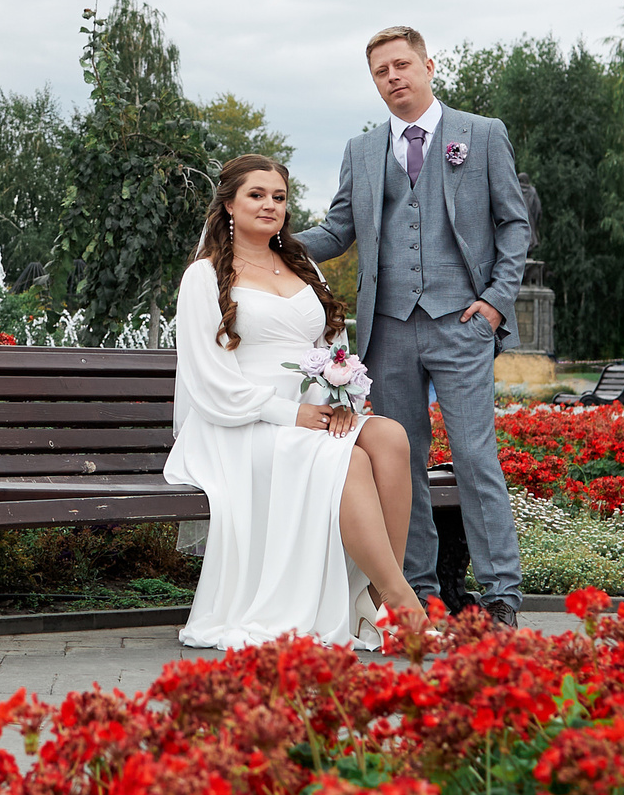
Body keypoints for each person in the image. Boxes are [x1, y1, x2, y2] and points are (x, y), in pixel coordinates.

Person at [295, 25, 531, 625]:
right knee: (404, 461)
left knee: (477, 458)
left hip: (462, 322)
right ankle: (421, 589)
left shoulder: (481, 134)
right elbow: (337, 231)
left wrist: (497, 301)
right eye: (381, 71)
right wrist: (267, 241)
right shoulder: (362, 150)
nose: (393, 77)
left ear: (428, 65)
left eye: (402, 65)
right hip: (389, 328)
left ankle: (502, 595)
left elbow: (513, 225)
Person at [166, 153, 428, 650]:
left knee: (390, 437)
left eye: (279, 198)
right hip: (241, 425)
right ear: (228, 204)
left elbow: (333, 347)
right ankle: (404, 603)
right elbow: (208, 381)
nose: (270, 206)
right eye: (256, 195)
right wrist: (291, 414)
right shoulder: (203, 278)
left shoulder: (302, 267)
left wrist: (343, 394)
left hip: (312, 411)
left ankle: (373, 600)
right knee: (347, 461)